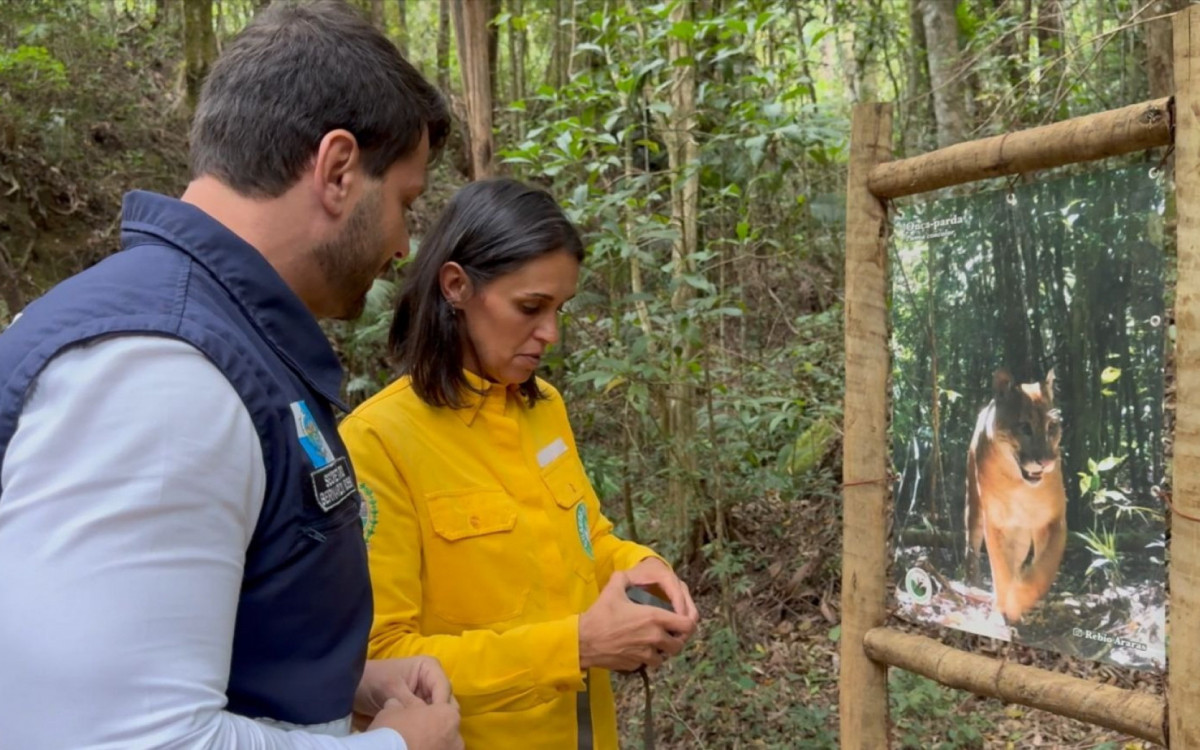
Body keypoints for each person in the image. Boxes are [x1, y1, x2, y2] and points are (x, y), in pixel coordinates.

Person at [0, 2, 463, 748]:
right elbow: (118, 737)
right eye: (404, 203)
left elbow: (178, 644)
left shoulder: (217, 343)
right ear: (338, 170)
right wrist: (399, 747)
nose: (405, 243)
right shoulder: (159, 375)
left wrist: (335, 680)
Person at [339, 178, 701, 750]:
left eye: (559, 309)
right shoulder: (378, 441)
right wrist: (575, 645)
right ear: (456, 286)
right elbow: (381, 659)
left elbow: (587, 540)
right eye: (530, 307)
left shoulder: (543, 408)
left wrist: (640, 566)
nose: (550, 333)